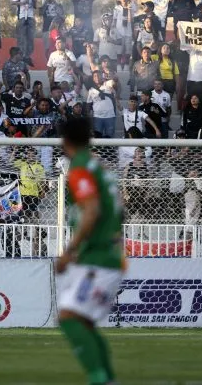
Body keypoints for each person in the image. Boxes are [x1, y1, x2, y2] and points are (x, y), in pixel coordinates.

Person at [55, 117, 123, 385]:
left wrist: (69, 251)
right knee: (83, 323)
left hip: (98, 258)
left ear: (64, 141)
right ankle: (105, 379)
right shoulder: (98, 166)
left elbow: (92, 210)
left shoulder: (81, 167)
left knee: (70, 318)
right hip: (104, 254)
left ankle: (101, 380)